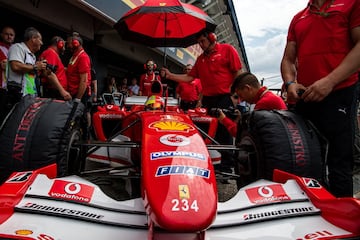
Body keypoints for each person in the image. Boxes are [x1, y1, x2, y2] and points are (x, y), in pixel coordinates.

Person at [280, 0, 360, 197]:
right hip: (305, 97)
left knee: (339, 165)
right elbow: (288, 59)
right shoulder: (298, 18)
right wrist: (290, 83)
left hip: (340, 93)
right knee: (302, 161)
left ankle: (343, 218)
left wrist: (330, 81)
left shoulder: (351, 4)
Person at [162, 30, 242, 174]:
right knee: (207, 132)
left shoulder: (227, 50)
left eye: (202, 41)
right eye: (198, 42)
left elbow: (238, 72)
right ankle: (209, 163)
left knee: (225, 132)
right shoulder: (200, 60)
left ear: (211, 38)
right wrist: (170, 75)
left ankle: (227, 168)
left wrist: (234, 94)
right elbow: (189, 78)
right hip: (208, 100)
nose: (200, 45)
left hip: (225, 98)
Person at [217, 72, 287, 137]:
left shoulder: (264, 103)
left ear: (247, 88)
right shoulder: (269, 97)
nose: (241, 100)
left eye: (240, 96)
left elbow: (242, 134)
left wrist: (224, 120)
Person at [6, 27, 47, 109]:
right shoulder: (17, 48)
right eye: (40, 40)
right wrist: (35, 67)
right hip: (16, 93)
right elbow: (15, 66)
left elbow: (29, 71)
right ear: (33, 39)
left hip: (28, 95)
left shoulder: (33, 56)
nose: (42, 43)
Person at [39, 36, 71, 100]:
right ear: (59, 44)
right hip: (55, 92)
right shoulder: (51, 53)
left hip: (56, 91)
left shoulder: (52, 54)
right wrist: (62, 91)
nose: (64, 49)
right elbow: (49, 74)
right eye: (63, 46)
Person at [0, 26, 15, 123]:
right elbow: (4, 65)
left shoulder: (15, 49)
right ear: (1, 35)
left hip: (12, 87)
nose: (9, 37)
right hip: (1, 86)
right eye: (7, 34)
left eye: (11, 35)